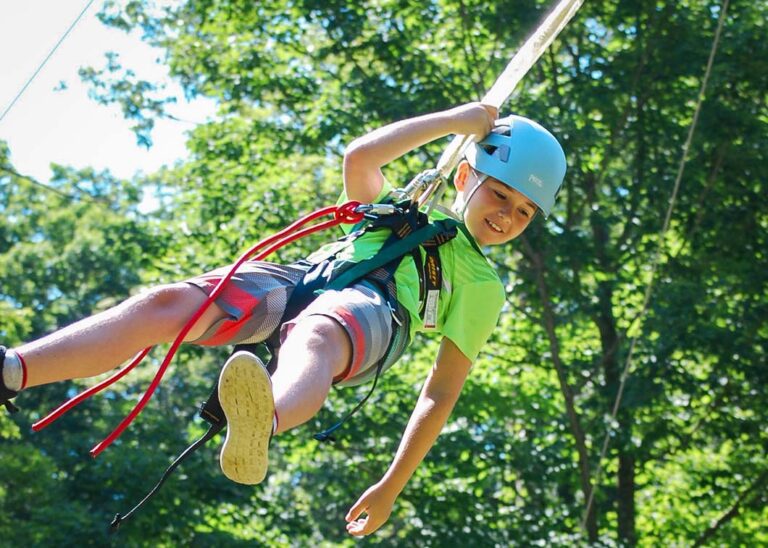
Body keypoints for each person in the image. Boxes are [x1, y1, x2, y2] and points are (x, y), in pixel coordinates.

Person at [0, 101, 566, 537]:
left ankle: (260, 423)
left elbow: (439, 393)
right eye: (500, 195)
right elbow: (360, 158)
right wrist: (453, 121)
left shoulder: (482, 286)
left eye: (523, 213)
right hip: (304, 278)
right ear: (466, 178)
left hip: (376, 316)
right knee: (167, 305)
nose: (508, 217)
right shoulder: (401, 204)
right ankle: (13, 370)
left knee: (317, 333)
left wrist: (392, 485)